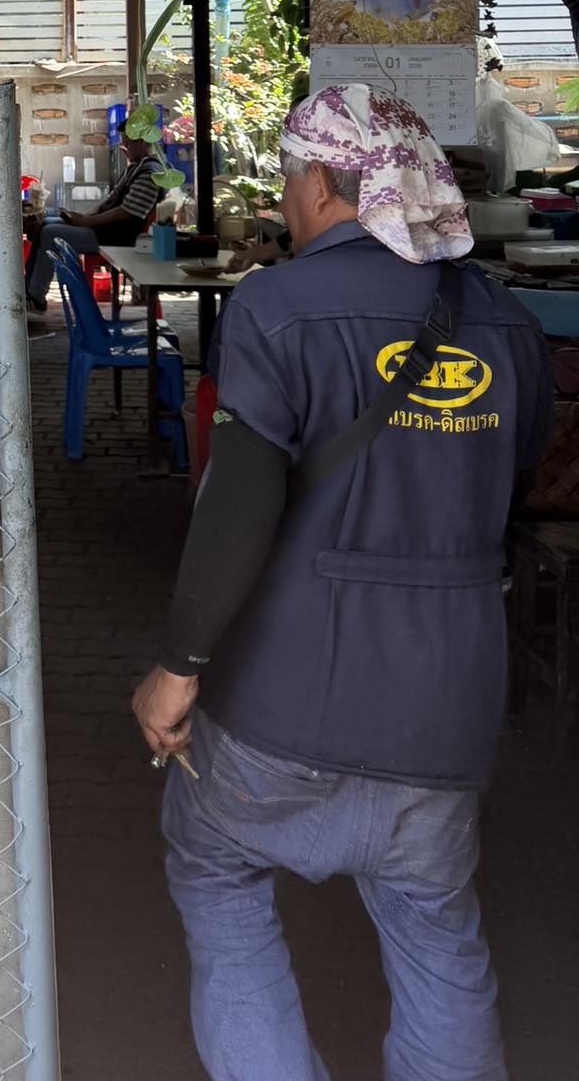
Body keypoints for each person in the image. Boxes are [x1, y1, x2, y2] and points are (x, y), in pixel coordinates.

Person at [131, 84, 551, 1081]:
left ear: (329, 183)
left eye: (289, 179)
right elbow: (513, 486)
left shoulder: (277, 306)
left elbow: (238, 506)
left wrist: (178, 668)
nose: (283, 201)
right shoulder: (507, 322)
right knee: (437, 930)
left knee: (215, 865)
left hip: (284, 706)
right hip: (444, 716)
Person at [25, 134, 160, 309]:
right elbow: (108, 200)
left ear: (142, 141)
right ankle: (27, 289)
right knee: (44, 223)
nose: (123, 149)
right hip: (104, 229)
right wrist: (81, 217)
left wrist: (85, 222)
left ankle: (36, 297)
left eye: (126, 144)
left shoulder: (150, 173)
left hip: (118, 236)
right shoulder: (135, 168)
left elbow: (127, 212)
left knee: (49, 233)